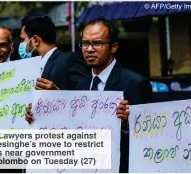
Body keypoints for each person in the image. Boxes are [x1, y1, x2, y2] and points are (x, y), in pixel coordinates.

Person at [25, 17, 152, 173]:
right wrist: (38, 115)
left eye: (97, 43)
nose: (89, 49)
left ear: (113, 47)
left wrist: (127, 123)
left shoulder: (134, 83)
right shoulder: (82, 85)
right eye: (85, 43)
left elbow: (147, 139)